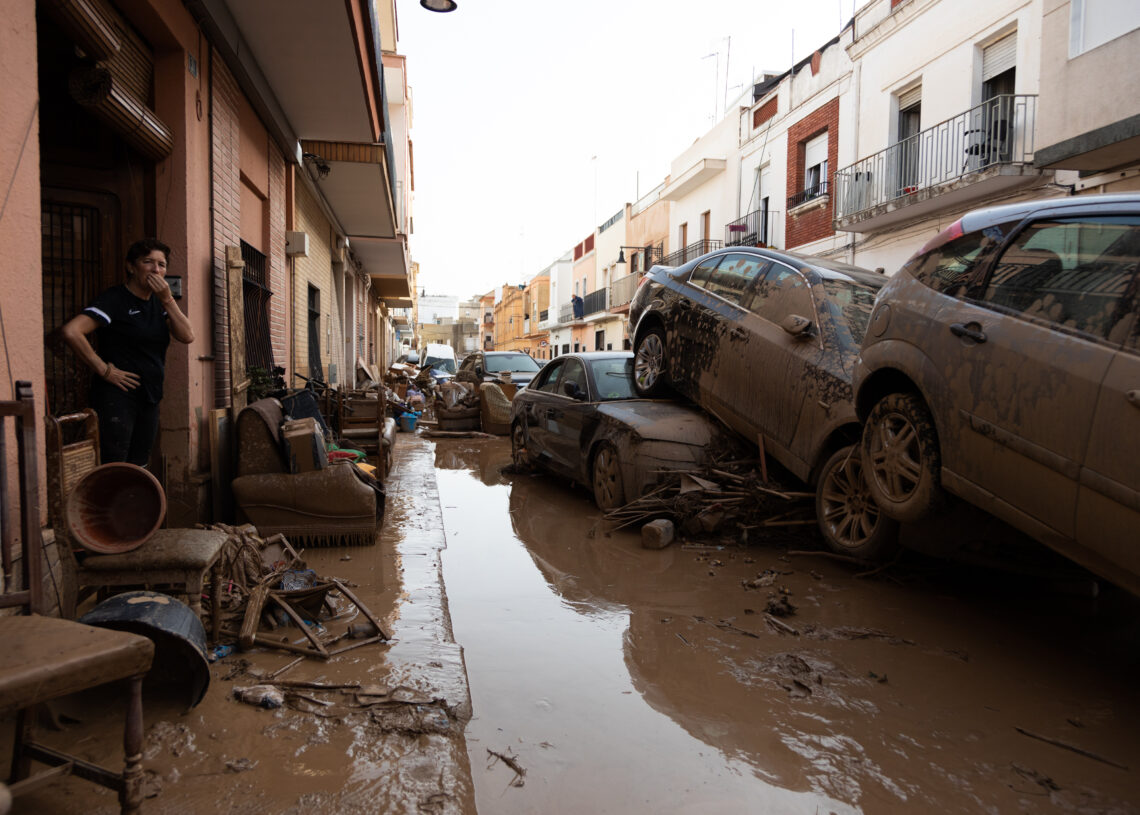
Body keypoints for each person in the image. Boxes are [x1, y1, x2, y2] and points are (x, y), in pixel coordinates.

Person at [61, 238, 195, 466]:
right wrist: (104, 370)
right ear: (131, 267)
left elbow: (187, 336)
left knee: (139, 464)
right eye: (148, 262)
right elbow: (72, 332)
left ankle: (133, 502)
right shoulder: (115, 299)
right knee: (115, 466)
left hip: (150, 396)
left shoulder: (159, 303)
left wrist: (167, 299)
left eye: (161, 264)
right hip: (117, 398)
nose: (156, 269)